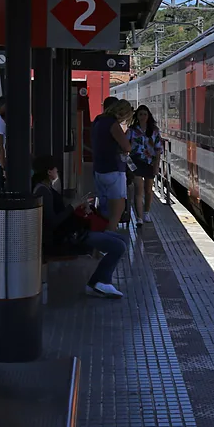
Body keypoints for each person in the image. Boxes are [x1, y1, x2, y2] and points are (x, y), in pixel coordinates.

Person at [32, 155, 127, 298]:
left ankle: (99, 280)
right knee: (119, 246)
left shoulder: (45, 188)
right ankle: (99, 282)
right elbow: (52, 222)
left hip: (71, 233)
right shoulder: (43, 191)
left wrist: (78, 205)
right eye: (56, 168)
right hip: (65, 238)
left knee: (121, 239)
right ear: (49, 171)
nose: (58, 171)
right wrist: (73, 206)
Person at [91, 98, 134, 232]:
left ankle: (100, 235)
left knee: (103, 207)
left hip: (99, 169)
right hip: (114, 170)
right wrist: (126, 135)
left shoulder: (98, 121)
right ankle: (109, 238)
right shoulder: (112, 123)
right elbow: (127, 147)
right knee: (117, 207)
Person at [128, 105, 164, 226]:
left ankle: (146, 212)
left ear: (148, 116)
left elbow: (158, 149)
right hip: (136, 162)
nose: (143, 117)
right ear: (137, 116)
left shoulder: (154, 131)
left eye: (145, 114)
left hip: (150, 163)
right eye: (140, 114)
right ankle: (139, 217)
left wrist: (156, 165)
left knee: (148, 190)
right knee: (139, 189)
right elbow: (125, 146)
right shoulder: (132, 130)